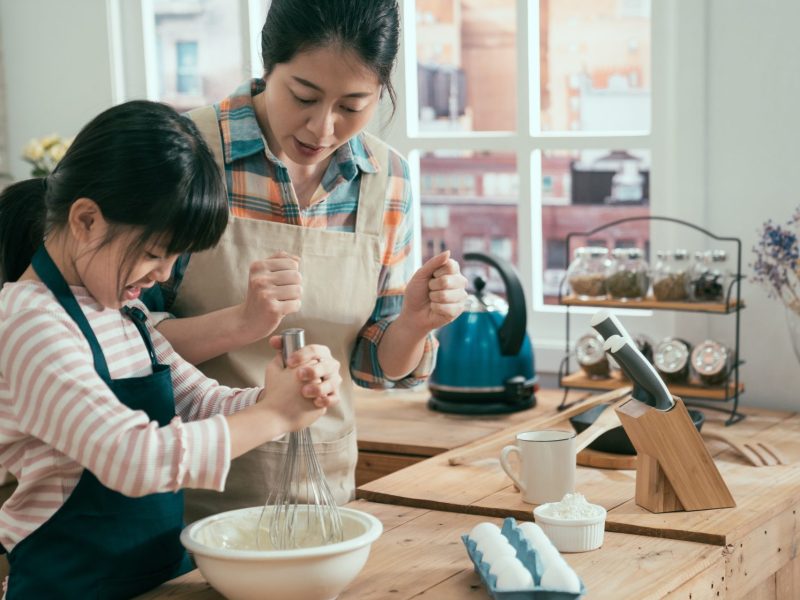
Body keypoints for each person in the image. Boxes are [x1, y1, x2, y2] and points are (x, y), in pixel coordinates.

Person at [142, 0, 468, 522]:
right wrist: (241, 323)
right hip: (184, 492)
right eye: (304, 96)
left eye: (352, 105)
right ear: (268, 66)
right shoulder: (188, 155)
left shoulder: (388, 180)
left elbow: (373, 366)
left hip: (322, 494)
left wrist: (413, 323)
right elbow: (122, 344)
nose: (322, 128)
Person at [0, 100, 341, 598]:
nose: (162, 274)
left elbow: (201, 402)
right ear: (86, 220)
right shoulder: (30, 323)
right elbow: (131, 457)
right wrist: (275, 418)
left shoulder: (121, 313)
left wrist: (282, 393)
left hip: (159, 580)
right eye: (154, 252)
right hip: (69, 587)